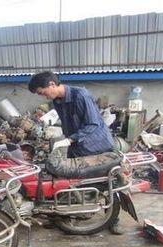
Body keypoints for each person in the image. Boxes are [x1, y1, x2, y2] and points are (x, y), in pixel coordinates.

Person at [28, 71, 122, 235]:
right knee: (73, 182)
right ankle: (63, 216)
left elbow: (92, 124)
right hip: (76, 145)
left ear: (52, 84)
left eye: (43, 93)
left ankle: (113, 220)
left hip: (96, 145)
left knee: (105, 183)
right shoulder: (57, 100)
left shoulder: (81, 95)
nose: (44, 97)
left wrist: (69, 140)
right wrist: (64, 140)